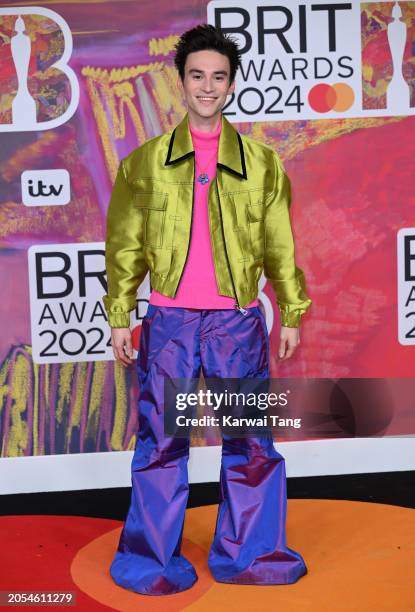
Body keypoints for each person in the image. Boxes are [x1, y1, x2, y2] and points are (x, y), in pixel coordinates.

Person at [102, 24, 312, 596]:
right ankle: (149, 561)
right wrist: (120, 313)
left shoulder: (263, 163)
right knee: (161, 444)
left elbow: (279, 243)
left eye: (219, 76)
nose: (207, 86)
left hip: (235, 321)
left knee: (248, 441)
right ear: (182, 82)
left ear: (231, 84)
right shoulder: (144, 163)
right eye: (198, 75)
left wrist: (289, 310)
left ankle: (252, 553)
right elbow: (123, 244)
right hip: (169, 323)